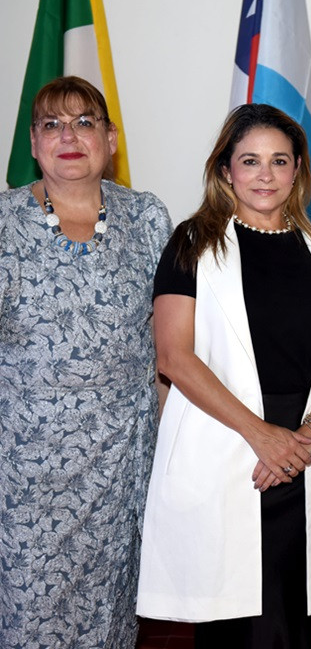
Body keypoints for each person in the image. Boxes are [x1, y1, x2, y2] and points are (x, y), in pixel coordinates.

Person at [136, 103, 311, 649]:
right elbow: (174, 357)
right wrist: (262, 436)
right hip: (232, 448)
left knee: (297, 623)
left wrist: (305, 436)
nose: (265, 175)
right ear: (226, 171)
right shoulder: (192, 243)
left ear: (297, 171)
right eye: (249, 161)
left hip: (307, 453)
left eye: (279, 161)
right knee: (237, 626)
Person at [0, 76, 172, 648]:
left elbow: (169, 347)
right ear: (32, 142)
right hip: (23, 479)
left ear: (111, 138)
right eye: (52, 124)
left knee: (113, 620)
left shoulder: (147, 219)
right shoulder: (2, 225)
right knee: (27, 621)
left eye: (84, 122)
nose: (68, 135)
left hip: (124, 467)